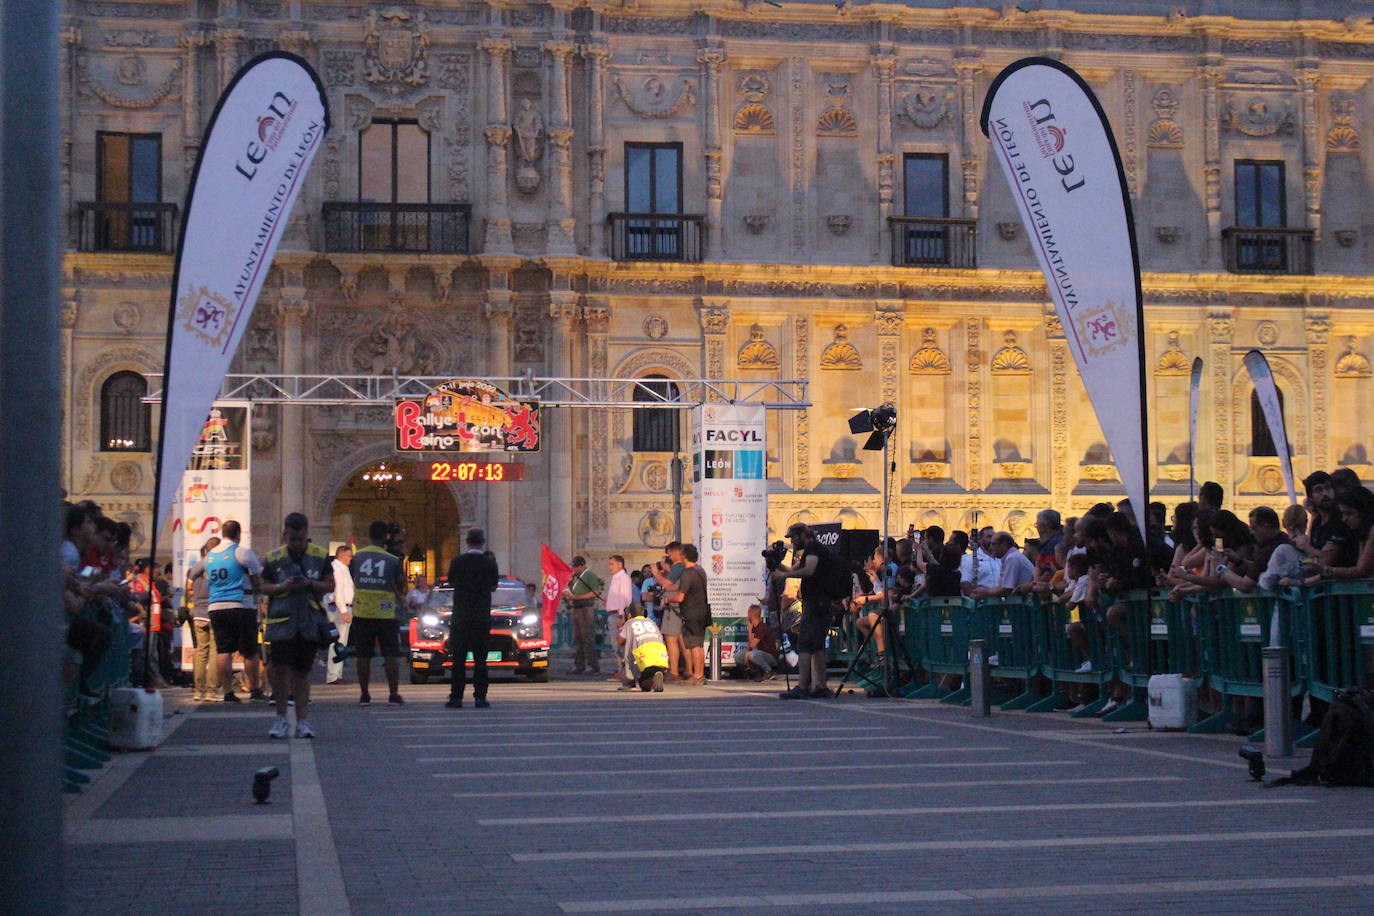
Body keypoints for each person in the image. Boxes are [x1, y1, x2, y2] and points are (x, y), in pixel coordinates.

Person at [260, 513, 333, 739]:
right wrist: (283, 586)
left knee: (302, 674)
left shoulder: (320, 556)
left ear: (306, 535)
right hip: (282, 623)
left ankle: (303, 722)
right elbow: (263, 586)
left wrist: (310, 583)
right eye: (292, 539)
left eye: (300, 539)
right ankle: (281, 718)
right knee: (279, 672)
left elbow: (330, 584)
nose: (297, 544)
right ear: (285, 534)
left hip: (308, 623)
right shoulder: (273, 558)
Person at [204, 520, 266, 703]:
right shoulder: (242, 552)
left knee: (223, 650)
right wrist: (259, 593)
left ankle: (227, 691)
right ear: (238, 534)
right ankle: (254, 689)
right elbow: (257, 577)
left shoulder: (209, 556)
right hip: (241, 604)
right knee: (250, 650)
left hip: (216, 605)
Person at [348, 522, 407, 706]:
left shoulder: (358, 557)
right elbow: (400, 585)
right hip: (385, 612)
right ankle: (393, 694)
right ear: (385, 537)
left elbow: (353, 578)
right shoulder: (392, 559)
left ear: (370, 535)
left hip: (362, 610)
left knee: (363, 655)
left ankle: (364, 694)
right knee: (391, 654)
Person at [771, 523, 832, 700]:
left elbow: (809, 570)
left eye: (793, 537)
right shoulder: (812, 550)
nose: (792, 542)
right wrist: (776, 564)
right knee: (817, 646)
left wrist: (783, 576)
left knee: (805, 643)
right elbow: (792, 571)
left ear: (802, 535)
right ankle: (821, 686)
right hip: (819, 602)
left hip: (816, 602)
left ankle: (803, 686)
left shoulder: (812, 547)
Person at [445, 527, 500, 709]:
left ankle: (456, 697)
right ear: (482, 542)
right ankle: (480, 697)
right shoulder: (489, 563)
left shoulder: (458, 562)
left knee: (458, 659)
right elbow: (493, 586)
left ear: (467, 542)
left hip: (461, 615)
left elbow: (451, 582)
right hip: (481, 615)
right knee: (480, 660)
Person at [184, 537, 222, 702]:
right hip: (214, 611)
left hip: (198, 613)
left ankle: (198, 690)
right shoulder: (218, 566)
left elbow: (189, 588)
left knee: (200, 652)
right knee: (214, 652)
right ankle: (212, 690)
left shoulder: (195, 568)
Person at [650, 543, 687, 679]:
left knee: (672, 639)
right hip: (678, 606)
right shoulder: (682, 567)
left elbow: (667, 584)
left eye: (669, 554)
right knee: (681, 639)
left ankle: (674, 671)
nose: (669, 557)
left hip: (674, 606)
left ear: (675, 552)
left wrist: (656, 574)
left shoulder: (677, 566)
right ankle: (688, 670)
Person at [563, 555, 604, 676]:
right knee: (578, 638)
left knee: (587, 638)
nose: (574, 569)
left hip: (585, 608)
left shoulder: (589, 575)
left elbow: (596, 591)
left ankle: (593, 665)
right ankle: (579, 664)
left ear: (582, 565)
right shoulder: (576, 577)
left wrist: (578, 597)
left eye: (576, 566)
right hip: (577, 608)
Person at [676, 544, 710, 685]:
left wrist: (666, 599)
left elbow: (680, 597)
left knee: (694, 645)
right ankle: (700, 674)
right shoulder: (700, 570)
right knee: (699, 645)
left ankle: (697, 676)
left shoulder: (687, 573)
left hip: (691, 613)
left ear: (684, 555)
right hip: (702, 611)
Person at [617, 605, 667, 692]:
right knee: (645, 687)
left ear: (629, 615)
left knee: (623, 649)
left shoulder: (630, 623)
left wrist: (620, 627)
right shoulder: (651, 622)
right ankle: (655, 676)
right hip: (660, 657)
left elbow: (619, 641)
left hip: (643, 657)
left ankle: (629, 682)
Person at [325, 544, 354, 685]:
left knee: (342, 642)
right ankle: (333, 675)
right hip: (338, 609)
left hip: (345, 607)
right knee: (337, 642)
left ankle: (338, 673)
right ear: (342, 555)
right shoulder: (337, 569)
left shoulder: (344, 569)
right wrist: (343, 611)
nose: (351, 559)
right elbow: (338, 592)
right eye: (349, 556)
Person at [975, 532, 1035, 599]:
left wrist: (984, 593)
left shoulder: (1012, 558)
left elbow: (1006, 589)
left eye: (993, 544)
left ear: (1003, 545)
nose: (990, 548)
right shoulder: (1012, 557)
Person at [603, 555, 634, 680]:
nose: (610, 567)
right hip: (612, 613)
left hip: (618, 615)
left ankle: (623, 670)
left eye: (612, 564)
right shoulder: (615, 578)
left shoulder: (623, 578)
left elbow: (625, 598)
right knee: (615, 644)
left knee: (619, 643)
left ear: (620, 565)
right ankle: (620, 668)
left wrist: (622, 615)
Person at [736, 603, 779, 680]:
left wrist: (749, 630)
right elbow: (750, 644)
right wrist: (746, 653)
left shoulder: (762, 627)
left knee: (752, 654)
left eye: (748, 612)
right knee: (738, 656)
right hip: (759, 654)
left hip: (770, 657)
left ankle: (769, 671)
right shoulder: (753, 627)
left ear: (751, 614)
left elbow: (753, 645)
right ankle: (751, 673)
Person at [960, 526, 1001, 597]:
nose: (992, 540)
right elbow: (965, 583)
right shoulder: (970, 559)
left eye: (994, 537)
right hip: (982, 604)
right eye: (989, 536)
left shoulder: (1000, 559)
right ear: (980, 540)